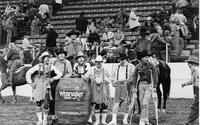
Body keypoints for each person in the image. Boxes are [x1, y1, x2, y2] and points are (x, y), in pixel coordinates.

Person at [26, 52, 62, 125]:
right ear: (42, 59)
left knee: (46, 103)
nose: (47, 59)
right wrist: (30, 83)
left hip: (46, 86)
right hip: (38, 86)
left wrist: (53, 78)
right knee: (38, 103)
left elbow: (60, 74)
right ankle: (40, 120)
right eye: (45, 57)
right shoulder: (38, 66)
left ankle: (45, 120)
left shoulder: (52, 66)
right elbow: (28, 73)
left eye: (48, 57)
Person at [131, 50, 158, 125]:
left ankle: (142, 120)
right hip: (140, 86)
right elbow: (135, 77)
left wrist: (155, 86)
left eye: (147, 57)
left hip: (149, 85)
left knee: (145, 103)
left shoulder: (151, 66)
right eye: (145, 57)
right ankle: (145, 119)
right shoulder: (138, 66)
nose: (147, 58)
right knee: (142, 104)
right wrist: (134, 87)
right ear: (142, 58)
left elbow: (155, 76)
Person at [108, 53, 135, 125]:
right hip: (118, 85)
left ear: (126, 59)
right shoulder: (117, 66)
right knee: (116, 102)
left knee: (127, 103)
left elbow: (134, 77)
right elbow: (112, 75)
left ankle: (125, 120)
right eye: (120, 59)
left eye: (123, 59)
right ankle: (114, 120)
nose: (121, 61)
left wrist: (129, 82)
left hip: (127, 85)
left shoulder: (131, 66)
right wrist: (113, 81)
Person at [82, 55, 110, 125]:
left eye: (100, 62)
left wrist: (106, 80)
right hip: (94, 89)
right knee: (96, 104)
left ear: (102, 62)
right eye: (97, 62)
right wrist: (83, 76)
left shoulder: (105, 70)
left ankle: (103, 120)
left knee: (104, 104)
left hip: (103, 89)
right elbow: (86, 77)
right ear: (95, 62)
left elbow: (109, 78)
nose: (99, 63)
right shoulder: (91, 69)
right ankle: (97, 120)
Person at [49, 48, 72, 124]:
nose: (62, 55)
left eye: (63, 54)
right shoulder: (53, 61)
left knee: (63, 98)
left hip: (63, 80)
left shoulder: (67, 62)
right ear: (57, 55)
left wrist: (64, 78)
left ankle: (62, 116)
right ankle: (53, 116)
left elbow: (69, 73)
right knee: (52, 97)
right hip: (53, 80)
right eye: (60, 54)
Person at [181, 55, 199, 125]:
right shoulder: (194, 71)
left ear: (191, 63)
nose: (188, 65)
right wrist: (185, 84)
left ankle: (189, 122)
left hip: (198, 89)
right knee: (196, 106)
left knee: (195, 106)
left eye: (189, 63)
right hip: (196, 89)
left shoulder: (196, 70)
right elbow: (192, 81)